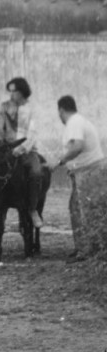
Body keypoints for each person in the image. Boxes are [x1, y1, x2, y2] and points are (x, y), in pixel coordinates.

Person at [57, 95, 106, 258]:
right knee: (78, 209)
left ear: (61, 110)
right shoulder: (79, 121)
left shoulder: (74, 122)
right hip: (86, 171)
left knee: (83, 211)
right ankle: (84, 248)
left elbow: (77, 146)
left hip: (87, 172)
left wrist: (60, 161)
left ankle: (87, 251)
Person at [0, 77, 44, 229]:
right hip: (7, 148)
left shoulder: (32, 109)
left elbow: (33, 134)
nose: (11, 95)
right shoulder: (4, 107)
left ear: (22, 92)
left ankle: (33, 209)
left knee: (36, 172)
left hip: (27, 150)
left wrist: (20, 149)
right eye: (9, 91)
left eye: (14, 91)